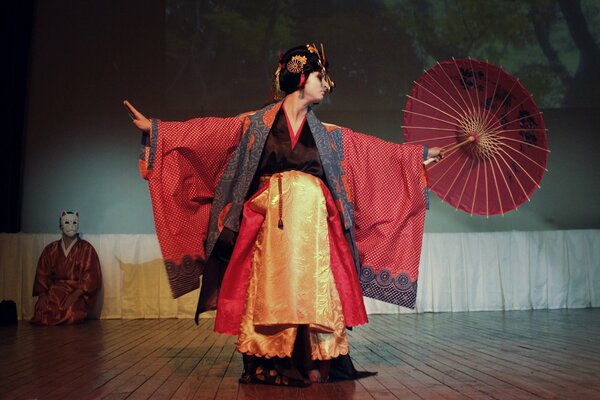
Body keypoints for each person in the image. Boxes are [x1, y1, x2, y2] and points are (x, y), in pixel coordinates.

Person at [124, 43, 442, 386]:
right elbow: (208, 134)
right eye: (321, 77)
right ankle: (270, 360)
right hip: (270, 225)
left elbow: (371, 153)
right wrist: (158, 131)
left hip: (315, 229)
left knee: (314, 289)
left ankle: (317, 361)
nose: (327, 85)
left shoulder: (328, 135)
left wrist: (416, 159)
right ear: (301, 78)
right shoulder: (256, 125)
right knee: (273, 289)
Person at [31, 211, 102, 325]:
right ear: (60, 225)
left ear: (78, 225)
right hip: (55, 292)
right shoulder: (51, 249)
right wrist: (42, 295)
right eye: (67, 222)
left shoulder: (86, 249)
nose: (71, 226)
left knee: (72, 313)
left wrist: (75, 295)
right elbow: (42, 274)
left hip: (77, 292)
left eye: (74, 222)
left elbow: (91, 276)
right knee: (41, 312)